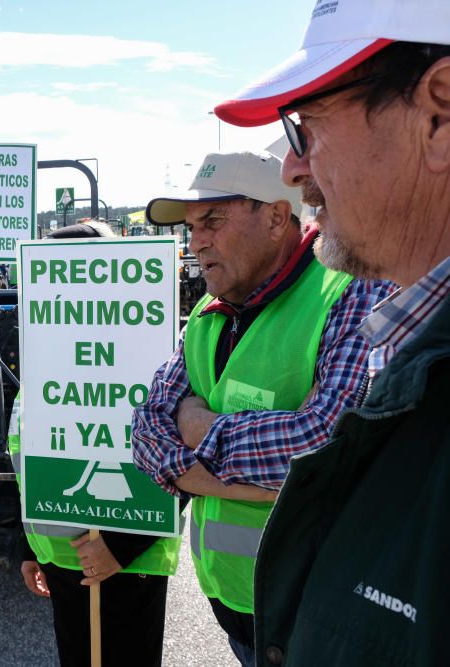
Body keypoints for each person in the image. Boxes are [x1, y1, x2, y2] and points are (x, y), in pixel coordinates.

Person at [213, 3, 450, 664]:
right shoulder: (402, 325)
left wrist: (203, 440)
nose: (291, 168)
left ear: (440, 113)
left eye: (306, 124)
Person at [131, 151, 392, 666]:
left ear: (277, 217)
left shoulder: (351, 291)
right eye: (189, 227)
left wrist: (197, 430)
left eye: (212, 221)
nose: (195, 241)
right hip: (237, 611)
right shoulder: (210, 310)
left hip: (320, 614)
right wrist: (234, 472)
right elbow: (145, 430)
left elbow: (323, 445)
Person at [12, 220, 182, 667]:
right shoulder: (46, 357)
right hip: (64, 563)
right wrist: (28, 547)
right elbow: (25, 461)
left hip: (126, 562)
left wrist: (120, 546)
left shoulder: (153, 359)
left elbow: (182, 461)